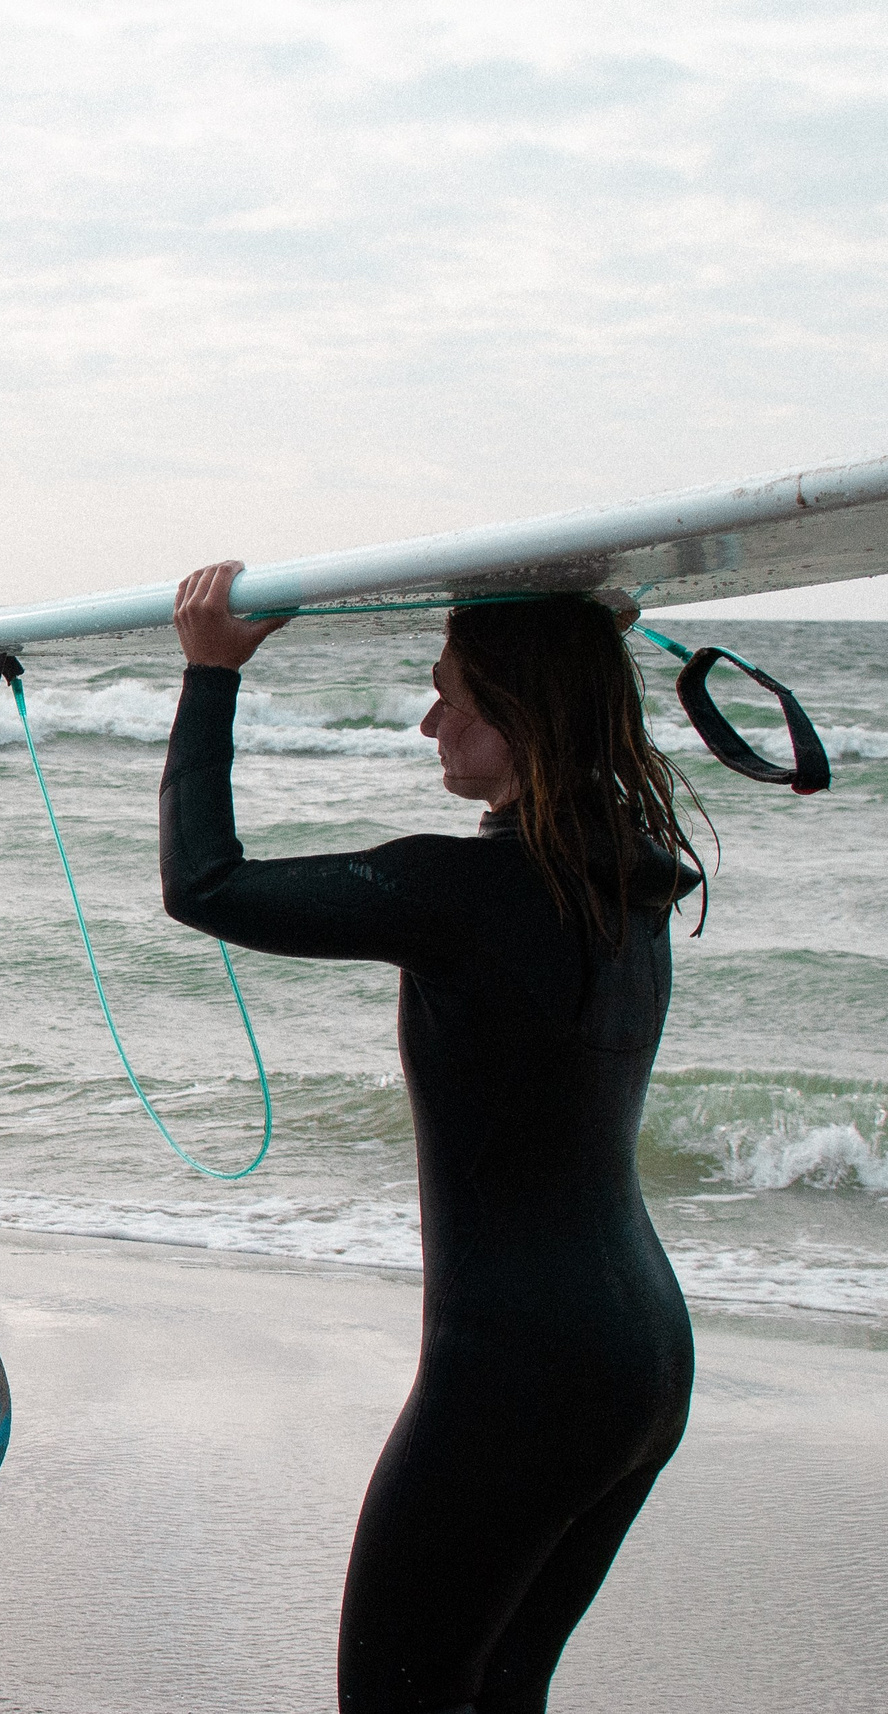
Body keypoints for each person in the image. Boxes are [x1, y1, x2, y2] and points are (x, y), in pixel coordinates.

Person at [160, 562, 703, 1714]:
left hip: (515, 1370)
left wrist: (210, 677)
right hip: (642, 1360)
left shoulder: (457, 890)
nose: (428, 719)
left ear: (521, 719)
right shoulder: (633, 881)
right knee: (500, 1688)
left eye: (451, 694)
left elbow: (204, 882)